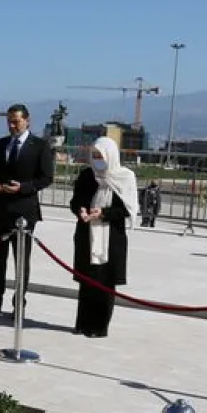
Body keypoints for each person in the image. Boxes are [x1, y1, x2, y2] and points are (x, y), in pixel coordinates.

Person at [0, 104, 54, 315]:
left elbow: (46, 178)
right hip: (0, 208)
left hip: (24, 211)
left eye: (16, 121)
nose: (11, 125)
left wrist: (23, 187)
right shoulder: (1, 144)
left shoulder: (40, 146)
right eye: (9, 121)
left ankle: (19, 305)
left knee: (21, 261)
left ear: (27, 120)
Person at [70, 137, 138, 338]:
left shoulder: (124, 177)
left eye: (101, 156)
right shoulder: (87, 175)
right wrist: (81, 211)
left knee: (105, 283)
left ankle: (99, 327)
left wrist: (103, 213)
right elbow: (76, 200)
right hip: (87, 234)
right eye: (95, 156)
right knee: (87, 280)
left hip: (111, 237)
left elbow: (127, 209)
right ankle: (82, 323)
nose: (98, 160)